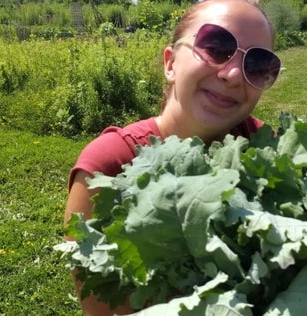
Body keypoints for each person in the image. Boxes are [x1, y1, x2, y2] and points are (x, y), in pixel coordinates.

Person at [63, 0, 281, 314]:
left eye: (258, 65)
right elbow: (105, 308)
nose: (233, 74)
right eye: (216, 46)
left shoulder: (268, 151)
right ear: (170, 64)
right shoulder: (109, 167)